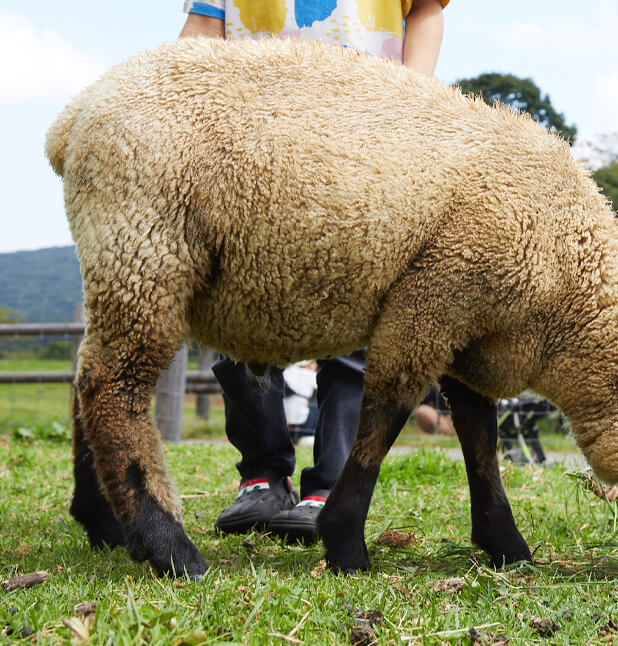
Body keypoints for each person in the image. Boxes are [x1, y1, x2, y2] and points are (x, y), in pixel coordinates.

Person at [177, 0, 448, 543]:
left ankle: (330, 486)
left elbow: (424, 10)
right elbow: (203, 25)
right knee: (235, 298)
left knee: (355, 309)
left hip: (364, 129)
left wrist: (412, 98)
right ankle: (262, 476)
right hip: (250, 136)